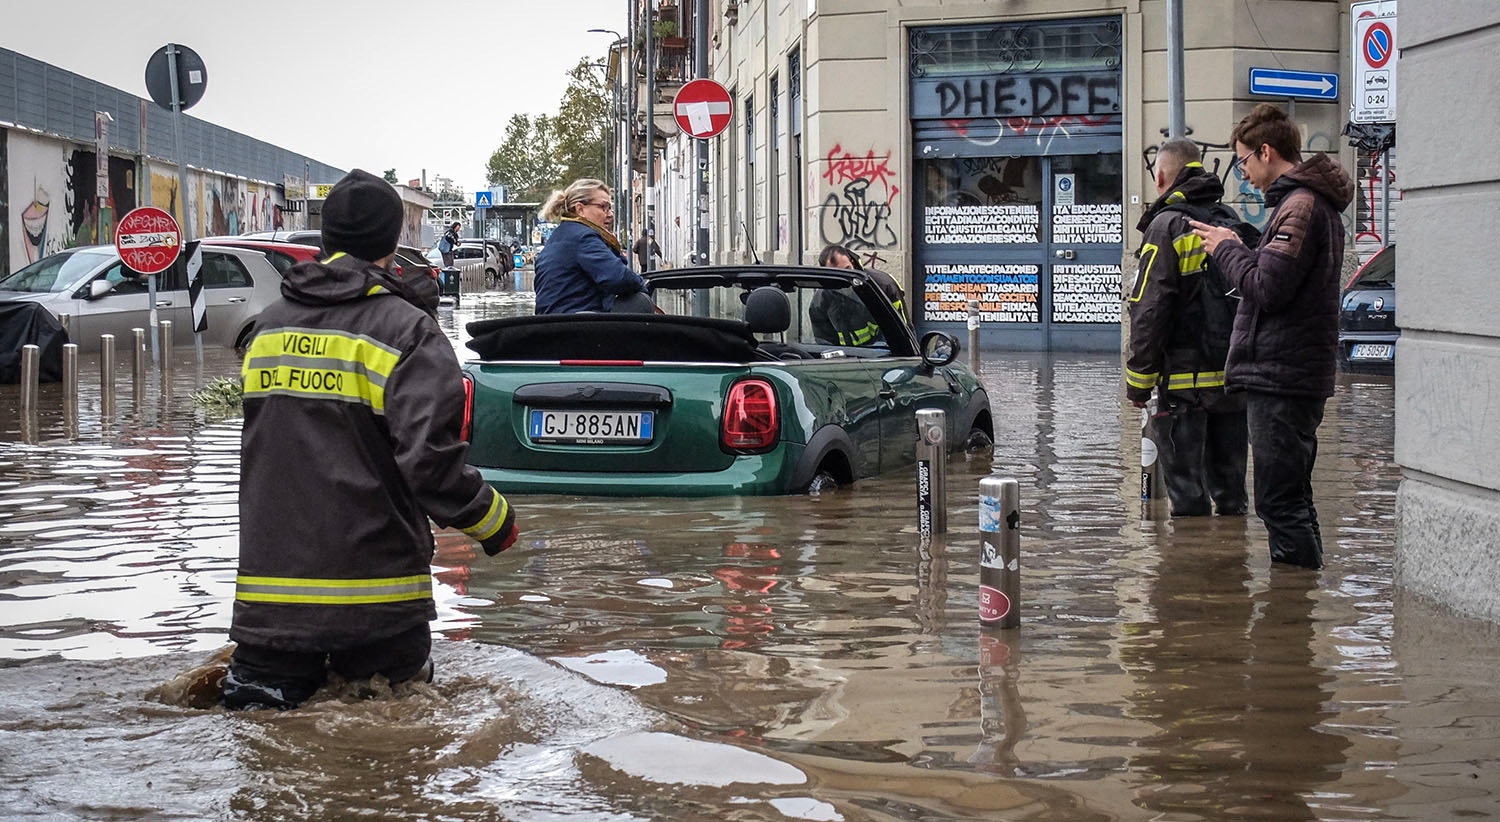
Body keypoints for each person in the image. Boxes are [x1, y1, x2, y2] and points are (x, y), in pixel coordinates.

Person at [224, 169, 520, 710]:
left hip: (270, 601)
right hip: (377, 598)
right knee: (388, 735)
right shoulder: (407, 331)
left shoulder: (268, 328)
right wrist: (493, 520)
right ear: (393, 240)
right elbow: (429, 462)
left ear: (326, 235)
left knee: (261, 733)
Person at [1191, 103, 1354, 569]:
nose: (1242, 173)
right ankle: (1301, 596)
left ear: (1266, 152)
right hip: (1292, 372)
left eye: (1243, 160)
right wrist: (1245, 248)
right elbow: (1277, 275)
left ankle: (1292, 599)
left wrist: (1227, 250)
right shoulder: (1302, 204)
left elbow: (1267, 288)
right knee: (1293, 497)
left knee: (1278, 501)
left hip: (1283, 376)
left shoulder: (1300, 206)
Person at [1124, 138, 1248, 518]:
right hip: (1233, 385)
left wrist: (1138, 382)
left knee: (1188, 502)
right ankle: (1232, 553)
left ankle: (1191, 554)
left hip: (1183, 389)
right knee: (1232, 498)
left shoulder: (1167, 226)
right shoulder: (1229, 220)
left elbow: (1149, 309)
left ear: (1161, 177)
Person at [533, 179, 652, 314]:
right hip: (577, 322)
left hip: (551, 321)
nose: (610, 214)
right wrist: (642, 286)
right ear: (580, 209)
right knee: (639, 302)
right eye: (603, 207)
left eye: (610, 208)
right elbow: (619, 277)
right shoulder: (583, 237)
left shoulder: (559, 236)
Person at [809, 244, 907, 345]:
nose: (845, 277)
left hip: (884, 350)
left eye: (847, 269)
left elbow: (902, 329)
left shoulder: (883, 285)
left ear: (852, 262)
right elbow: (824, 342)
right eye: (836, 274)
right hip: (845, 353)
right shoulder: (821, 300)